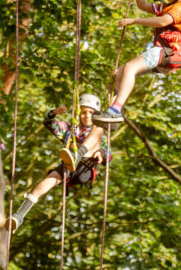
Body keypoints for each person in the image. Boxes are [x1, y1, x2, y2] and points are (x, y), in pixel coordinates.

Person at [93, 0, 181, 125]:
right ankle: (111, 112)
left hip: (170, 52)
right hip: (165, 53)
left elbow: (163, 22)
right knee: (119, 73)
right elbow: (142, 4)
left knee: (130, 68)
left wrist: (134, 20)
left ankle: (115, 111)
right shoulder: (167, 6)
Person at [10, 94, 109, 231]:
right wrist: (53, 113)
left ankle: (77, 156)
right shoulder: (70, 129)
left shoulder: (99, 131)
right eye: (84, 112)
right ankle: (20, 215)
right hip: (68, 167)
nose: (87, 116)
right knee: (47, 182)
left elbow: (108, 154)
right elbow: (48, 123)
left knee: (98, 128)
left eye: (91, 113)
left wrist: (101, 154)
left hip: (86, 168)